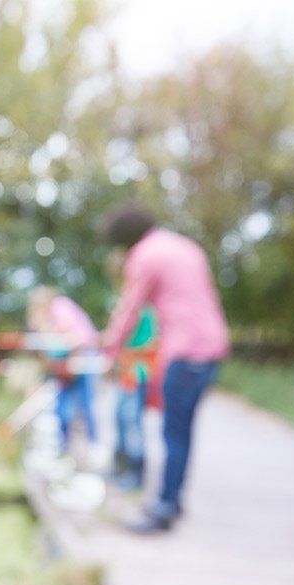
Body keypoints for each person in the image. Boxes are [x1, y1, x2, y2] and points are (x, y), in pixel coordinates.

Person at [102, 204, 230, 531]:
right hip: (212, 345)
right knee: (182, 431)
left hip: (185, 351)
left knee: (173, 432)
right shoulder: (184, 247)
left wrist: (109, 350)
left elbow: (130, 309)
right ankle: (172, 501)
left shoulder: (144, 257)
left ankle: (163, 508)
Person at [26, 286, 100, 454]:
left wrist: (56, 344)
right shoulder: (45, 318)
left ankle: (92, 448)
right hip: (64, 368)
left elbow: (79, 338)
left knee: (84, 407)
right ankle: (64, 449)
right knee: (63, 410)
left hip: (82, 361)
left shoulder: (60, 307)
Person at [110, 306, 157, 490]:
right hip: (128, 375)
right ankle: (121, 468)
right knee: (121, 418)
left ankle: (135, 474)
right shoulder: (136, 309)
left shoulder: (142, 312)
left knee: (131, 422)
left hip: (137, 375)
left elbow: (147, 344)